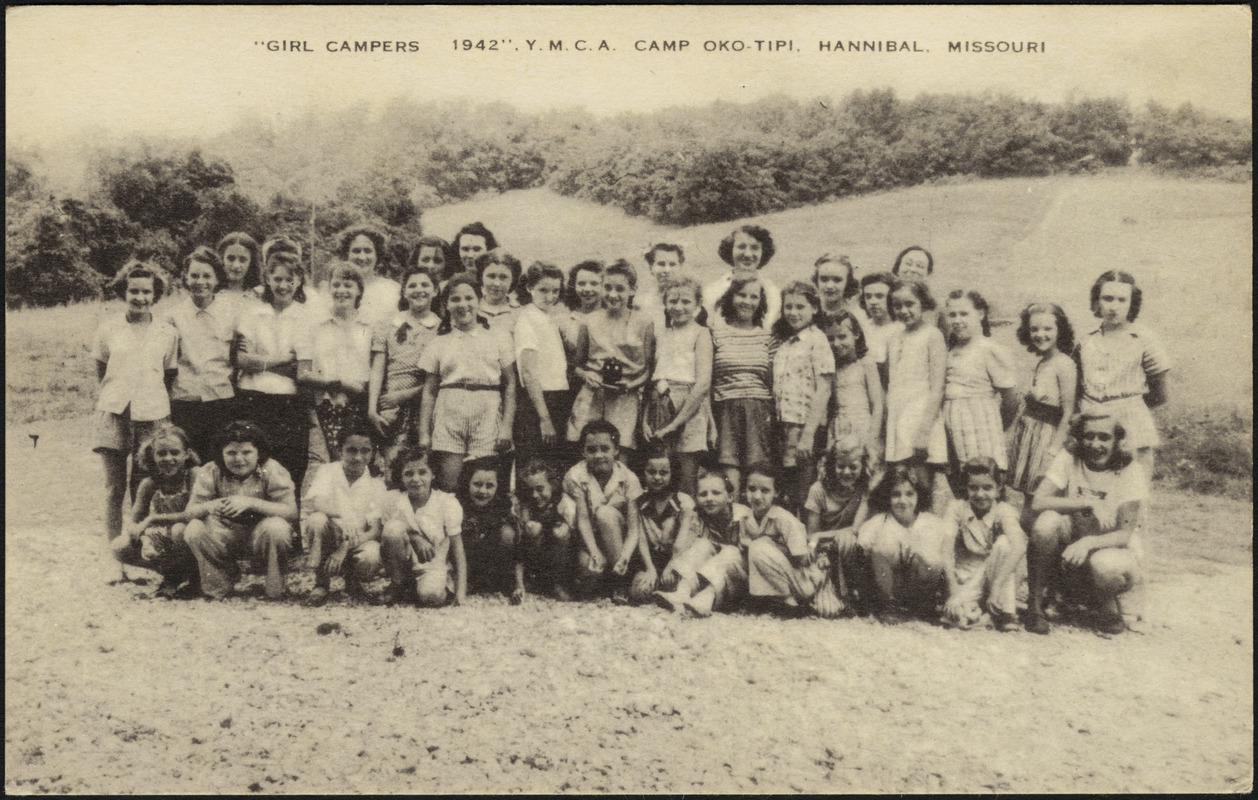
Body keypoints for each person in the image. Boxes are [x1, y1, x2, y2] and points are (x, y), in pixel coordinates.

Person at [1025, 413, 1147, 635]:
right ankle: (1034, 605)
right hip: (1076, 536)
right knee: (1046, 523)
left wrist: (1088, 543)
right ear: (1079, 438)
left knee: (1105, 567)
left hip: (1112, 546)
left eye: (1104, 438)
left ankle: (1105, 603)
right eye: (1089, 436)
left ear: (1118, 441)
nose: (1095, 444)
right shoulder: (1070, 457)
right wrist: (1087, 504)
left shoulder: (1131, 470)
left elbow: (1124, 534)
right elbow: (1038, 502)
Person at [92, 259, 178, 548]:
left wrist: (148, 399)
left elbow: (167, 374)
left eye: (146, 292)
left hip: (152, 415)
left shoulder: (167, 332)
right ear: (123, 292)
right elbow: (102, 371)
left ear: (155, 294)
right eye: (134, 291)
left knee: (143, 486)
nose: (140, 298)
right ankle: (116, 556)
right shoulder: (107, 329)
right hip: (115, 412)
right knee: (114, 488)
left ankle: (140, 549)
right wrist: (117, 397)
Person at [417, 275, 516, 493]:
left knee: (483, 483)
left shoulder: (499, 337)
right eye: (455, 299)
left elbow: (510, 385)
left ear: (479, 300)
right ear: (446, 305)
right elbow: (430, 391)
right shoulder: (438, 343)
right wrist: (424, 433)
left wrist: (506, 427)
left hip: (487, 413)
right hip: (449, 414)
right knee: (450, 484)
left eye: (469, 298)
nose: (463, 305)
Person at [1074, 270, 1171, 487]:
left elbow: (1160, 393)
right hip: (1093, 427)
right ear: (1097, 301)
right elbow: (1076, 387)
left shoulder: (1144, 340)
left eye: (1121, 299)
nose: (1113, 306)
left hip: (1132, 425)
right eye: (1107, 298)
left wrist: (1128, 407)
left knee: (1130, 491)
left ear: (1132, 303)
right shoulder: (1086, 341)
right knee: (1092, 489)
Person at [184, 421, 298, 600]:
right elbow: (189, 512)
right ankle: (219, 586)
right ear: (221, 454)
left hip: (260, 536)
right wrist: (209, 506)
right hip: (225, 534)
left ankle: (275, 588)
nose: (239, 459)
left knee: (277, 527)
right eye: (231, 453)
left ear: (258, 452)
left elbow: (291, 512)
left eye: (246, 452)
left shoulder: (272, 468)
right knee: (194, 528)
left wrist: (251, 502)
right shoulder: (211, 470)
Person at [233, 246, 314, 497]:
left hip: (288, 402)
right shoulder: (253, 313)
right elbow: (242, 360)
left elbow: (301, 369)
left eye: (290, 280)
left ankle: (290, 529)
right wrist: (279, 361)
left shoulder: (306, 317)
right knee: (253, 464)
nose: (283, 285)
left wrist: (260, 362)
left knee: (290, 468)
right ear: (267, 279)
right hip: (252, 397)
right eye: (277, 279)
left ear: (298, 281)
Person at [566, 259, 655, 459]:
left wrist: (631, 385)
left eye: (620, 289)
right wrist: (586, 374)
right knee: (587, 448)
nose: (612, 294)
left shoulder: (644, 322)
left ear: (632, 290)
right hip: (592, 394)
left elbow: (649, 369)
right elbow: (576, 366)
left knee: (620, 452)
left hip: (625, 397)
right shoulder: (589, 321)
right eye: (607, 287)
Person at [641, 276, 715, 497]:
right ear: (665, 303)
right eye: (673, 301)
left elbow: (702, 384)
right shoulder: (659, 333)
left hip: (689, 407)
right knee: (659, 471)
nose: (679, 307)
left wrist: (676, 424)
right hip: (660, 403)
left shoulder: (701, 333)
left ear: (697, 305)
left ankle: (688, 525)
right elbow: (652, 379)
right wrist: (645, 418)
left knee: (685, 474)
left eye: (686, 301)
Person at [299, 424, 389, 606]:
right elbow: (318, 503)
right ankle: (321, 582)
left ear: (373, 453)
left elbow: (374, 531)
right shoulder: (328, 471)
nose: (358, 457)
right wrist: (343, 517)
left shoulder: (376, 485)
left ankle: (352, 581)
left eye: (365, 451)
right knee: (317, 520)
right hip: (331, 536)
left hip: (358, 540)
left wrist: (345, 548)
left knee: (371, 555)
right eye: (351, 450)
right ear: (340, 451)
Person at [165, 247, 240, 463]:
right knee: (188, 464)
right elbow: (167, 367)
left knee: (218, 463)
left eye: (207, 276)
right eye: (194, 275)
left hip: (221, 401)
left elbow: (235, 359)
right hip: (185, 402)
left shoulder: (231, 315)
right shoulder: (173, 317)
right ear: (186, 278)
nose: (200, 281)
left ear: (217, 279)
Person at [299, 263, 373, 477]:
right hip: (326, 405)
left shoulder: (370, 326)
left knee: (359, 467)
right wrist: (339, 383)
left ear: (359, 290)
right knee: (329, 466)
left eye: (348, 285)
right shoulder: (316, 325)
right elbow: (304, 374)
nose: (342, 290)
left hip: (360, 404)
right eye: (336, 284)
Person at [884, 278, 950, 514]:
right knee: (901, 479)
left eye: (910, 304)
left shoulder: (933, 335)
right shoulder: (893, 337)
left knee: (923, 481)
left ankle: (927, 528)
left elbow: (937, 387)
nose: (903, 310)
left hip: (922, 416)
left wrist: (924, 429)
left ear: (923, 303)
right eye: (897, 305)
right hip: (899, 414)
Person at [743, 463, 844, 618]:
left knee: (758, 547)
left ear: (776, 493)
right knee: (752, 550)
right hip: (777, 574)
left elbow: (803, 559)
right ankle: (765, 600)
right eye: (752, 489)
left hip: (802, 579)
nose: (757, 496)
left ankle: (790, 603)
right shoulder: (746, 518)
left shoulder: (784, 519)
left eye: (765, 490)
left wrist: (774, 546)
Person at [110, 424, 199, 598]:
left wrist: (152, 519)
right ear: (153, 455)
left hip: (194, 532)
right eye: (161, 453)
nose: (168, 458)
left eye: (175, 452)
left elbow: (191, 514)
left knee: (179, 530)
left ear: (186, 454)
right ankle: (172, 574)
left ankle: (196, 577)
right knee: (119, 546)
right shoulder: (150, 484)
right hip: (166, 536)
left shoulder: (194, 475)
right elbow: (134, 520)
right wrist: (143, 539)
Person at [770, 280, 835, 514]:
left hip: (806, 427)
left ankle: (809, 541)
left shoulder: (817, 340)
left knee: (806, 491)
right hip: (784, 427)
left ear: (814, 308)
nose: (793, 313)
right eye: (789, 307)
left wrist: (808, 434)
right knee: (787, 489)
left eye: (800, 307)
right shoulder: (786, 343)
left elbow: (824, 388)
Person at [940, 457, 1027, 631]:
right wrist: (953, 590)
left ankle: (1008, 613)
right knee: (954, 615)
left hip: (999, 577)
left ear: (998, 488)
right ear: (966, 488)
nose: (980, 494)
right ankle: (988, 613)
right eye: (974, 488)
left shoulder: (1004, 510)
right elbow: (946, 549)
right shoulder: (957, 508)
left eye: (987, 488)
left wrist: (996, 586)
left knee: (1004, 543)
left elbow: (1019, 546)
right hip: (968, 577)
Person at [653, 466, 751, 617]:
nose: (709, 498)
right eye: (703, 494)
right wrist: (670, 567)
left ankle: (707, 598)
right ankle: (682, 593)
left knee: (730, 551)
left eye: (716, 493)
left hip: (738, 581)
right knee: (701, 544)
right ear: (697, 499)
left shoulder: (742, 516)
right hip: (708, 576)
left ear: (730, 497)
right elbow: (685, 548)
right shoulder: (699, 518)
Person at [856, 464, 950, 622]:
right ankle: (889, 605)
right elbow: (862, 549)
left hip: (920, 587)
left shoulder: (931, 523)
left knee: (931, 556)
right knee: (881, 547)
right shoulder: (879, 522)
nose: (903, 501)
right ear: (887, 496)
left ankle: (924, 607)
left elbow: (940, 560)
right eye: (896, 494)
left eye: (909, 494)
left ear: (918, 495)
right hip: (891, 587)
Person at [563, 420, 643, 600]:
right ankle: (602, 580)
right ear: (583, 451)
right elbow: (582, 519)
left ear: (616, 450)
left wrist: (625, 557)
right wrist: (594, 552)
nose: (598, 455)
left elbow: (633, 529)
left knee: (605, 513)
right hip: (589, 538)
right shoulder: (576, 475)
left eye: (605, 449)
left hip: (618, 540)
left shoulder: (628, 478)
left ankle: (620, 582)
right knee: (588, 571)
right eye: (591, 450)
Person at [367, 264, 441, 459]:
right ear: (404, 292)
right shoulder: (388, 324)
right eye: (412, 285)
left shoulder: (442, 329)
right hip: (392, 407)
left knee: (424, 465)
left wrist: (406, 395)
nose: (418, 290)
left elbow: (440, 377)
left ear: (435, 290)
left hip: (427, 406)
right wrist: (372, 408)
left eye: (425, 285)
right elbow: (378, 368)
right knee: (393, 465)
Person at [941, 289, 1019, 473]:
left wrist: (991, 427)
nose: (957, 320)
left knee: (984, 481)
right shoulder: (950, 350)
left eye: (964, 314)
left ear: (980, 314)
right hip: (951, 428)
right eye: (952, 315)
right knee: (960, 483)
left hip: (980, 428)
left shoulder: (989, 348)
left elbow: (1011, 401)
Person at [380, 445, 467, 607]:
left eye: (422, 472)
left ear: (433, 474)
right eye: (408, 473)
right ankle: (399, 584)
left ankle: (424, 589)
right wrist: (414, 536)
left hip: (433, 565)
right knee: (392, 529)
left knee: (431, 595)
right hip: (403, 564)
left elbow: (458, 550)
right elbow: (385, 537)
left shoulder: (446, 503)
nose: (415, 479)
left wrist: (461, 593)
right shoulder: (393, 500)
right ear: (401, 476)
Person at [710, 278, 775, 495]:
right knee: (729, 471)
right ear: (730, 297)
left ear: (761, 302)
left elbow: (772, 380)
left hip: (759, 409)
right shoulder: (715, 332)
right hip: (724, 408)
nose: (747, 301)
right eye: (741, 295)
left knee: (757, 470)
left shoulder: (768, 336)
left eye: (753, 296)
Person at [1008, 302, 1077, 498]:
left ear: (1060, 331)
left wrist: (1053, 451)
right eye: (1034, 329)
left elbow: (1069, 412)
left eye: (1048, 328)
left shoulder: (1064, 364)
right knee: (1029, 496)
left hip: (1048, 439)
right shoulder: (1043, 362)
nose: (1040, 334)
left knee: (1042, 494)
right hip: (1030, 437)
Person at [616, 442, 697, 605]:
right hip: (651, 559)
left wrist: (670, 566)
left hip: (676, 558)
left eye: (664, 473)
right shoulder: (636, 502)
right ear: (643, 472)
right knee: (640, 592)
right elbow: (639, 538)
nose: (657, 478)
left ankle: (670, 593)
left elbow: (681, 543)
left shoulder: (683, 502)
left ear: (672, 473)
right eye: (651, 472)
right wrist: (650, 569)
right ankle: (657, 589)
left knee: (675, 583)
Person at [514, 261, 576, 471]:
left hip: (556, 399)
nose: (550, 297)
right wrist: (545, 419)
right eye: (543, 290)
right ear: (529, 288)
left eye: (555, 291)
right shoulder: (527, 319)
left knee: (552, 469)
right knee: (535, 468)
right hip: (539, 403)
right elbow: (529, 373)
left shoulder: (545, 317)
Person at [804, 435, 876, 612]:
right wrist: (820, 538)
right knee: (827, 610)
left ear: (863, 466)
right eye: (840, 466)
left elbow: (855, 530)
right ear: (831, 465)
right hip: (824, 552)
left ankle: (852, 593)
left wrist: (822, 535)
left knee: (848, 539)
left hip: (850, 549)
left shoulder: (864, 489)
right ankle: (831, 591)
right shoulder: (818, 490)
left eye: (853, 467)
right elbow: (812, 534)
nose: (846, 472)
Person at [824, 310, 884, 460]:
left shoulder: (866, 363)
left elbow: (877, 405)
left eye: (842, 336)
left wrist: (873, 437)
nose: (836, 343)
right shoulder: (832, 368)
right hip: (838, 428)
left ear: (856, 334)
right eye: (831, 338)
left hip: (863, 425)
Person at [515, 459, 578, 602]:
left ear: (552, 485)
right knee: (532, 528)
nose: (535, 495)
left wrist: (564, 528)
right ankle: (528, 581)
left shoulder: (564, 503)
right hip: (535, 557)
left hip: (561, 557)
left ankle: (558, 583)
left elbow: (575, 538)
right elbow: (519, 550)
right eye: (530, 490)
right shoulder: (525, 508)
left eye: (540, 489)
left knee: (561, 531)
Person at [458, 457, 518, 598]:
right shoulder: (458, 504)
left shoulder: (501, 505)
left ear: (497, 487)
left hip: (491, 559)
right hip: (466, 561)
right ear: (467, 483)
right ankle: (467, 581)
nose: (483, 491)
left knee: (507, 533)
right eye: (477, 484)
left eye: (489, 486)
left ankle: (503, 582)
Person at [703, 224, 782, 329]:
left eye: (755, 248)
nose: (748, 254)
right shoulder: (713, 291)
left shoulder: (772, 292)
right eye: (741, 247)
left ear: (763, 252)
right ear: (730, 250)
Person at [334, 225, 400, 329]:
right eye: (356, 251)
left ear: (377, 255)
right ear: (346, 254)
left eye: (368, 251)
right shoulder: (335, 290)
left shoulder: (393, 290)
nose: (362, 257)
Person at [858, 271, 903, 388]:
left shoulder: (901, 329)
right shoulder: (861, 328)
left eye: (879, 296)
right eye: (868, 296)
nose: (872, 302)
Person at [813, 253, 870, 333]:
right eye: (824, 279)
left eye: (837, 280)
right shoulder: (810, 311)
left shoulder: (857, 316)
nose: (829, 286)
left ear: (848, 283)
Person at [474, 249, 523, 335]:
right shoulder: (473, 308)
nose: (496, 283)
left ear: (513, 280)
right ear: (481, 277)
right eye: (491, 276)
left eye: (503, 277)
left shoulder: (521, 313)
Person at [637, 242, 685, 327]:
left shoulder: (689, 301)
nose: (667, 270)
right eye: (661, 264)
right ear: (651, 267)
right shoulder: (643, 302)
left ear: (680, 267)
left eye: (672, 264)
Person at [215, 231, 263, 304]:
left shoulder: (259, 296)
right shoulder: (211, 295)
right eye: (231, 258)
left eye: (242, 260)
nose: (236, 265)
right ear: (221, 259)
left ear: (251, 262)